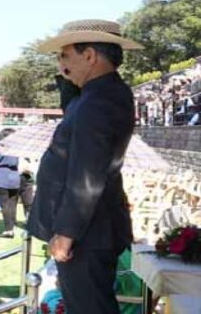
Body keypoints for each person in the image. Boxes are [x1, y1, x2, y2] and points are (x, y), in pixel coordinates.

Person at [29, 19, 141, 314]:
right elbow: (75, 116)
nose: (60, 64)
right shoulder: (99, 95)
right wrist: (67, 77)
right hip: (92, 228)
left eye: (65, 55)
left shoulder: (98, 100)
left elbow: (88, 173)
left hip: (88, 233)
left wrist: (66, 232)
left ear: (89, 56)